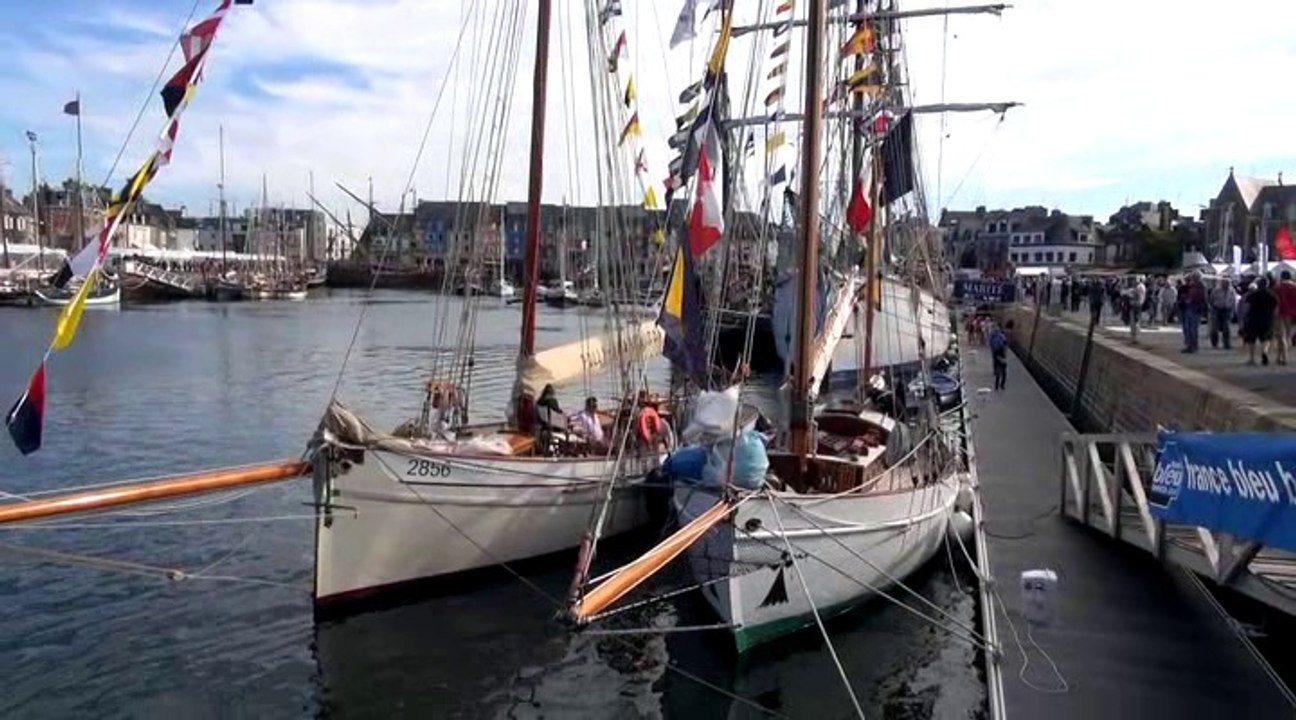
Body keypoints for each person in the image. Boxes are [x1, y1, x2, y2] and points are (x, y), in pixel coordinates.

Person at [1242, 278, 1278, 366]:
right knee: (1266, 338)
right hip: (1267, 319)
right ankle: (1264, 351)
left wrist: (1244, 318)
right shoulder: (1272, 295)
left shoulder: (1253, 295)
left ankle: (1252, 358)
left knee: (1251, 339)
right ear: (1267, 284)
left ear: (1258, 285)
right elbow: (1276, 308)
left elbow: (1246, 306)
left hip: (1253, 319)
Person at [1208, 276, 1237, 350]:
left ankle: (1226, 344)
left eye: (1227, 283)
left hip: (1227, 310)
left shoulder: (1232, 291)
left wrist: (1233, 311)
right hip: (1217, 309)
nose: (1226, 285)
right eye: (1224, 283)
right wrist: (1212, 308)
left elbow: (1234, 301)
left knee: (1226, 327)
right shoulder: (1216, 290)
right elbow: (1211, 299)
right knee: (1214, 328)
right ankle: (1214, 343)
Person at [1275, 270, 1296, 365]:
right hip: (1292, 313)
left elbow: (1275, 301)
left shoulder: (1278, 288)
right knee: (1287, 335)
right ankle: (1279, 356)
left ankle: (1284, 357)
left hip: (1280, 312)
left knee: (1281, 336)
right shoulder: (1294, 287)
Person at [988, 322, 1008, 390]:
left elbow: (990, 342)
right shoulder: (1002, 336)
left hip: (996, 353)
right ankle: (1001, 385)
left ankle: (997, 386)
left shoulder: (993, 335)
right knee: (1003, 373)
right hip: (1001, 355)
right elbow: (1005, 343)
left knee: (998, 373)